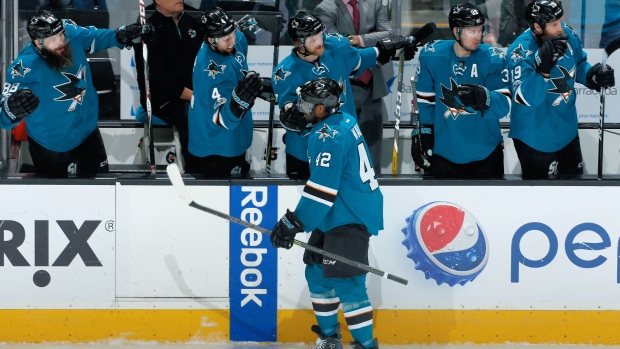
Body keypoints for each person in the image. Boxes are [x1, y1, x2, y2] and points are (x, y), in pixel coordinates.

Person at [270, 77, 384, 349]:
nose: (302, 108)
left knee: (349, 285)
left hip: (349, 215)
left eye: (308, 105)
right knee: (317, 274)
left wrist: (292, 222)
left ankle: (366, 345)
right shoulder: (340, 120)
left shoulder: (329, 137)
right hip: (335, 213)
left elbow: (322, 189)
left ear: (322, 109)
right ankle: (330, 338)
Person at [0, 10, 152, 177]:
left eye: (60, 35)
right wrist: (11, 109)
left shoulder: (69, 32)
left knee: (101, 191)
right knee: (57, 199)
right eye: (52, 40)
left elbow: (94, 37)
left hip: (88, 134)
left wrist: (119, 34)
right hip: (51, 146)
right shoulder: (24, 68)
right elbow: (3, 115)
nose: (60, 42)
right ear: (38, 43)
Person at [272, 11, 414, 179]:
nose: (320, 42)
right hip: (305, 153)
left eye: (320, 35)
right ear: (298, 43)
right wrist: (294, 118)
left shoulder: (336, 46)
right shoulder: (285, 73)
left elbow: (360, 58)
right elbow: (289, 115)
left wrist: (389, 51)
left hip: (344, 146)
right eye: (313, 39)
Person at [506, 0, 615, 179]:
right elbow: (523, 99)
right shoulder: (520, 51)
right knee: (543, 199)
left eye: (560, 21)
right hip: (535, 139)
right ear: (537, 27)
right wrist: (543, 71)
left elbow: (579, 63)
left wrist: (592, 75)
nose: (560, 28)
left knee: (575, 194)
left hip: (567, 132)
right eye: (554, 24)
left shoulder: (567, 34)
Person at [411, 3, 511, 179]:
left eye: (480, 30)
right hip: (444, 154)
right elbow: (424, 101)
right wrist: (422, 133)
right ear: (456, 32)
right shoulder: (432, 55)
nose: (478, 36)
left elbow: (504, 103)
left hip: (486, 152)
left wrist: (485, 97)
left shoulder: (493, 58)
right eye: (471, 31)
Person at [188, 7, 271, 179]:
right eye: (226, 39)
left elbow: (238, 45)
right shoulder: (209, 71)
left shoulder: (237, 40)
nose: (233, 41)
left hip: (236, 138)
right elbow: (221, 119)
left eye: (233, 33)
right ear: (211, 40)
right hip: (215, 146)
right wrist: (239, 102)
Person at [314, 0, 395, 172]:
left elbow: (389, 34)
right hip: (343, 90)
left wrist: (357, 39)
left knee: (372, 151)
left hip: (372, 86)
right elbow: (337, 49)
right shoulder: (325, 8)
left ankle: (372, 191)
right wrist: (373, 39)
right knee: (344, 148)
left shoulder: (374, 3)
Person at [134, 0, 205, 171]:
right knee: (192, 113)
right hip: (162, 97)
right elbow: (158, 78)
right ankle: (195, 171)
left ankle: (222, 162)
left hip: (193, 92)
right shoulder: (149, 29)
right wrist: (194, 96)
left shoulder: (194, 23)